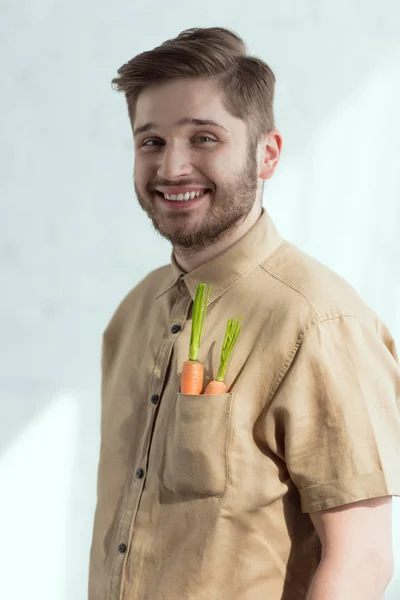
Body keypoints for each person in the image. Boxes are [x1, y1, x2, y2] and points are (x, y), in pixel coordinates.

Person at [88, 27, 400, 600]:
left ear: (267, 154)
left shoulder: (320, 323)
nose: (172, 168)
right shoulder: (133, 313)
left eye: (204, 137)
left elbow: (362, 559)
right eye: (150, 141)